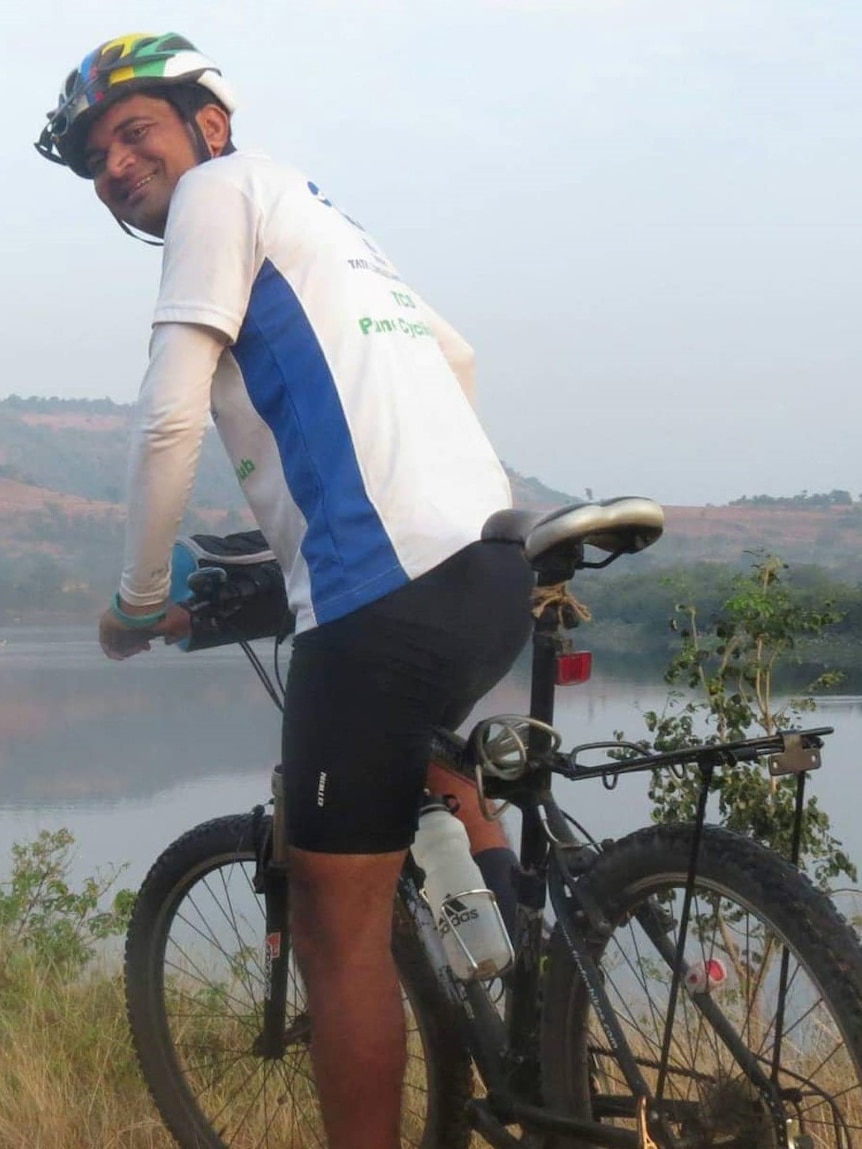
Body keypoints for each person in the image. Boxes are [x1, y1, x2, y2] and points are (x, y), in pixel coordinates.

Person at [37, 33, 533, 1149]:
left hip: (384, 592)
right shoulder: (325, 223)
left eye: (134, 131)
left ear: (207, 124)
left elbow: (167, 418)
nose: (115, 164)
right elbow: (452, 361)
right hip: (487, 559)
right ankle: (544, 1025)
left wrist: (134, 598)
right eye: (95, 155)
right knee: (449, 786)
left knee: (333, 924)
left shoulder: (220, 193)